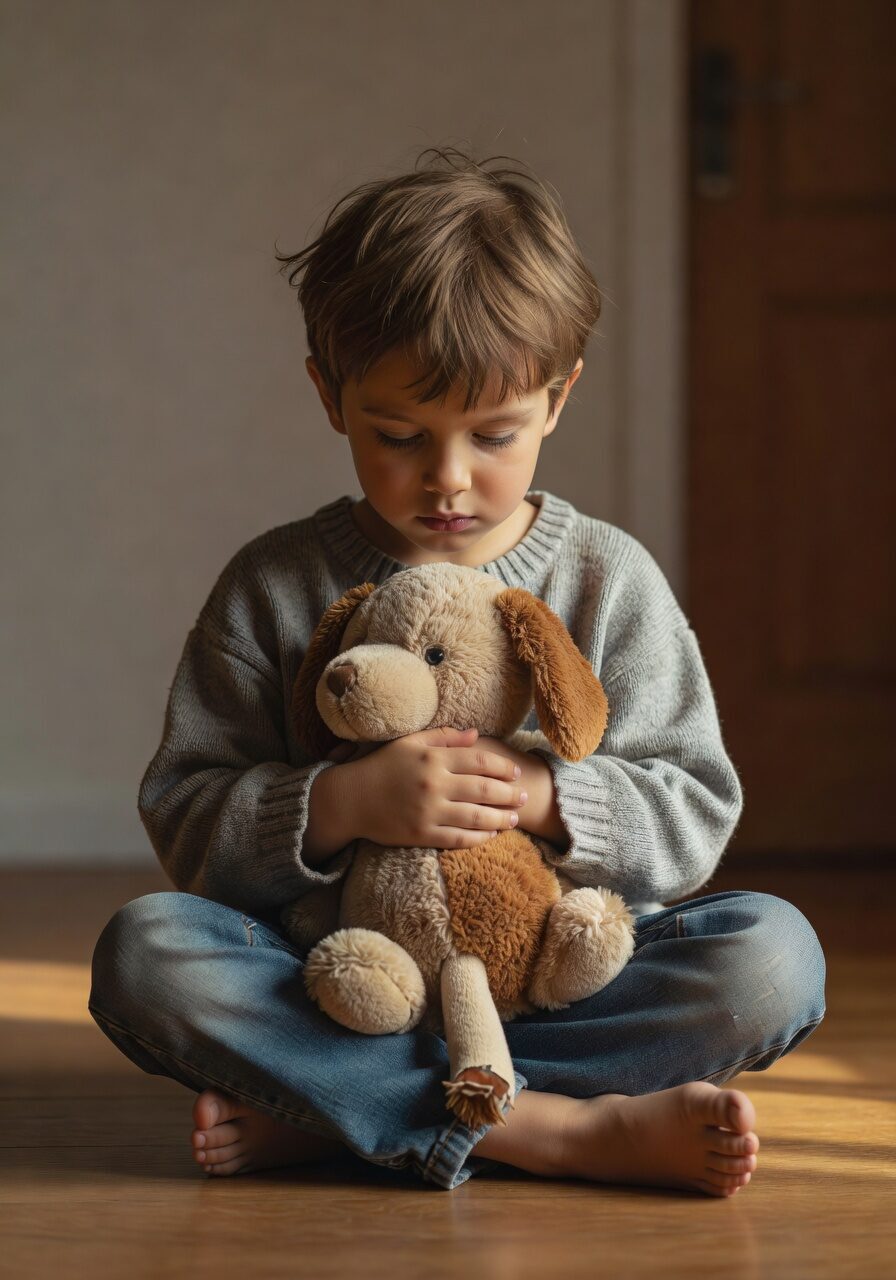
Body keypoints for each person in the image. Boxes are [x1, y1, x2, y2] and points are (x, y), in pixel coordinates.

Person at [88, 146, 826, 1195]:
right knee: (146, 953)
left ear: (557, 398)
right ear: (330, 396)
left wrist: (545, 793)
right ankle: (553, 1128)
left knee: (771, 956)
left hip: (559, 981)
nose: (446, 478)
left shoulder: (604, 577)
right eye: (399, 434)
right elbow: (188, 818)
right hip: (339, 983)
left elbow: (693, 809)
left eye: (493, 434)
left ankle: (344, 1110)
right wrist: (336, 804)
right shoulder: (275, 585)